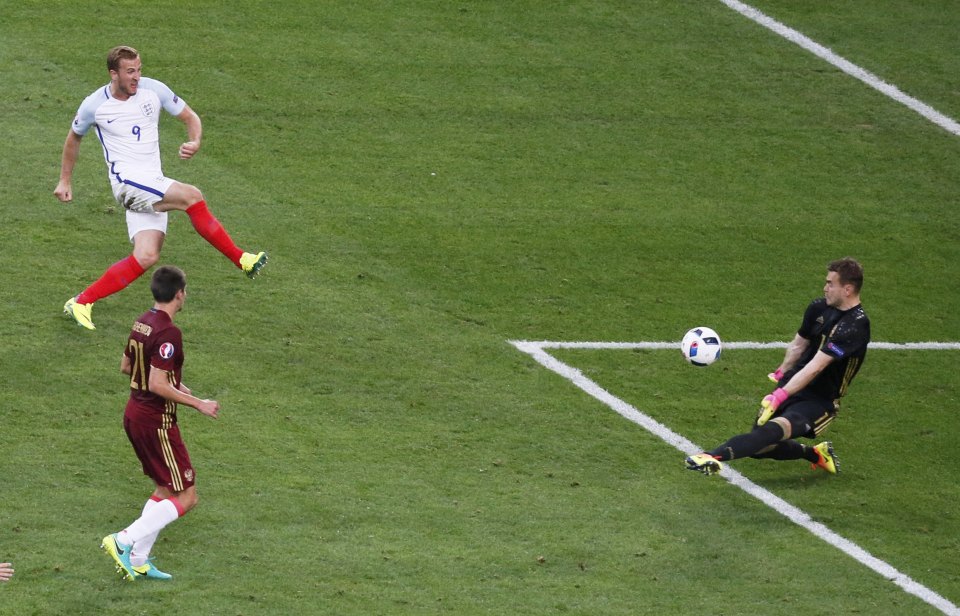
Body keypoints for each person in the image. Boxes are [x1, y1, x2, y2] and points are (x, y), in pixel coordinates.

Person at [54, 45, 267, 331]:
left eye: (139, 69)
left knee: (146, 256)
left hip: (151, 181)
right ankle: (242, 258)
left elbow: (191, 117)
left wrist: (195, 140)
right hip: (128, 183)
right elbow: (73, 139)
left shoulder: (154, 90)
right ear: (113, 74)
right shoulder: (95, 105)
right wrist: (65, 180)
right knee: (192, 196)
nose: (137, 77)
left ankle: (81, 301)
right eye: (130, 72)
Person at [685, 258, 870, 476]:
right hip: (793, 383)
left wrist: (780, 395)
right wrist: (782, 373)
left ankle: (710, 456)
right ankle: (815, 454)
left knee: (770, 433)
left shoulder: (855, 325)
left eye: (830, 283)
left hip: (819, 401)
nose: (825, 287)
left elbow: (816, 367)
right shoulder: (819, 307)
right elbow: (799, 344)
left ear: (847, 289)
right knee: (760, 447)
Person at [101, 265, 219, 581]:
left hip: (134, 415)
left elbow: (127, 366)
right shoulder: (169, 333)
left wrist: (177, 385)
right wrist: (199, 403)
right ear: (179, 294)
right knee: (187, 495)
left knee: (165, 487)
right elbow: (155, 383)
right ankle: (122, 540)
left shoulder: (143, 322)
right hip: (156, 422)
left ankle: (138, 559)